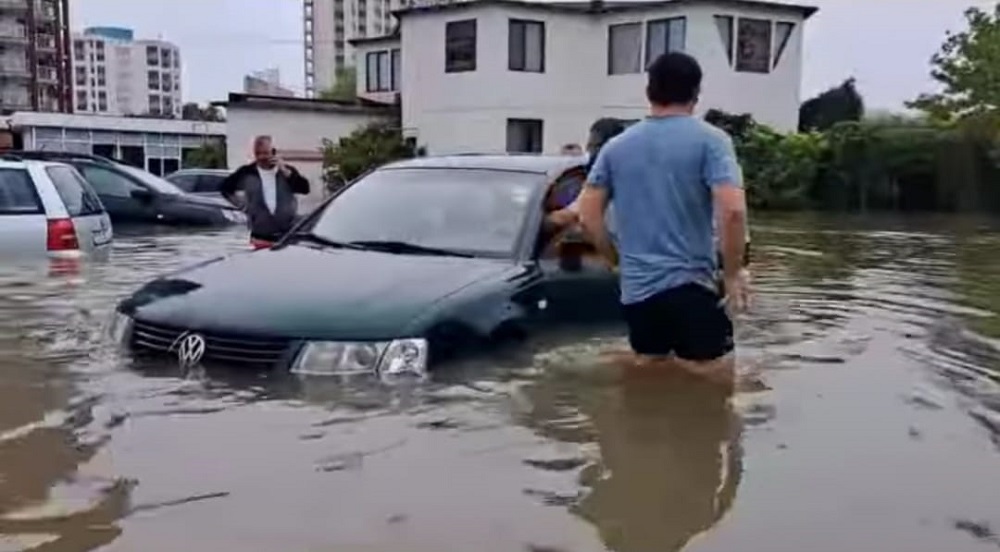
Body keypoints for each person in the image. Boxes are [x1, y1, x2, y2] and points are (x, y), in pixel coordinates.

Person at [575, 52, 750, 384]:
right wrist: (731, 274)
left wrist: (615, 260)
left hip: (638, 294)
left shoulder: (616, 147)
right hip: (692, 288)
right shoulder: (712, 141)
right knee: (718, 386)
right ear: (696, 94)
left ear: (648, 91)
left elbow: (587, 216)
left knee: (648, 379)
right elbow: (733, 211)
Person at [220, 135, 311, 249]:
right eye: (258, 153)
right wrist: (242, 205)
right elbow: (225, 188)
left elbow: (305, 189)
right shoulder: (247, 172)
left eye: (265, 153)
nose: (261, 157)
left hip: (287, 236)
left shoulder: (286, 171)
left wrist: (286, 172)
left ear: (273, 153)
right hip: (260, 236)